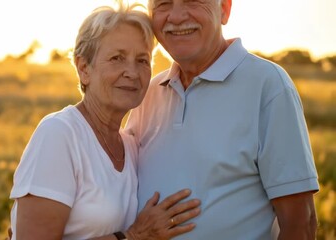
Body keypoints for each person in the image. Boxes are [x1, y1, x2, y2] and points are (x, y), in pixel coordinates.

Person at [125, 0, 319, 239]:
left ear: (224, 9)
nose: (175, 17)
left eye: (192, 1)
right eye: (163, 4)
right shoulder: (148, 92)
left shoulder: (268, 85)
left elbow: (300, 222)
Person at [9, 1, 201, 240]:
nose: (131, 72)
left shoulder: (131, 146)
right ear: (83, 68)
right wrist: (134, 236)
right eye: (117, 58)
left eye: (142, 60)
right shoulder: (59, 134)